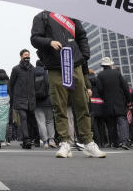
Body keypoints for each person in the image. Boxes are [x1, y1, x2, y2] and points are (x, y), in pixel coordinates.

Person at [29, 10, 105, 159]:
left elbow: (81, 36)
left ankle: (88, 142)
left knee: (82, 104)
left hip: (75, 64)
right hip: (55, 67)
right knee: (59, 106)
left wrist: (84, 56)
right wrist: (49, 42)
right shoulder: (41, 17)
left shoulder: (71, 15)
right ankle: (65, 143)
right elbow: (35, 39)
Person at [95, 57, 131, 150]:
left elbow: (99, 90)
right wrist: (128, 99)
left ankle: (114, 143)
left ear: (103, 66)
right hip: (119, 101)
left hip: (107, 102)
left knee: (111, 124)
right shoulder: (117, 73)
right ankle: (124, 141)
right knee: (122, 120)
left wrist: (104, 98)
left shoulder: (100, 75)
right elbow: (125, 87)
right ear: (110, 64)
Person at [9, 49, 37, 150]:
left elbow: (35, 84)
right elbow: (11, 84)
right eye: (25, 55)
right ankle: (26, 139)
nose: (27, 57)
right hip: (20, 98)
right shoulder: (16, 69)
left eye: (28, 55)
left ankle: (28, 140)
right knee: (23, 118)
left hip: (31, 99)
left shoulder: (33, 69)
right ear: (21, 56)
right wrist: (12, 98)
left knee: (30, 120)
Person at [32, 59, 56, 149]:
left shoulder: (32, 73)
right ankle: (52, 140)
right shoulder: (47, 72)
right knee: (49, 121)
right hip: (48, 100)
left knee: (40, 122)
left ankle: (45, 141)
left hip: (37, 101)